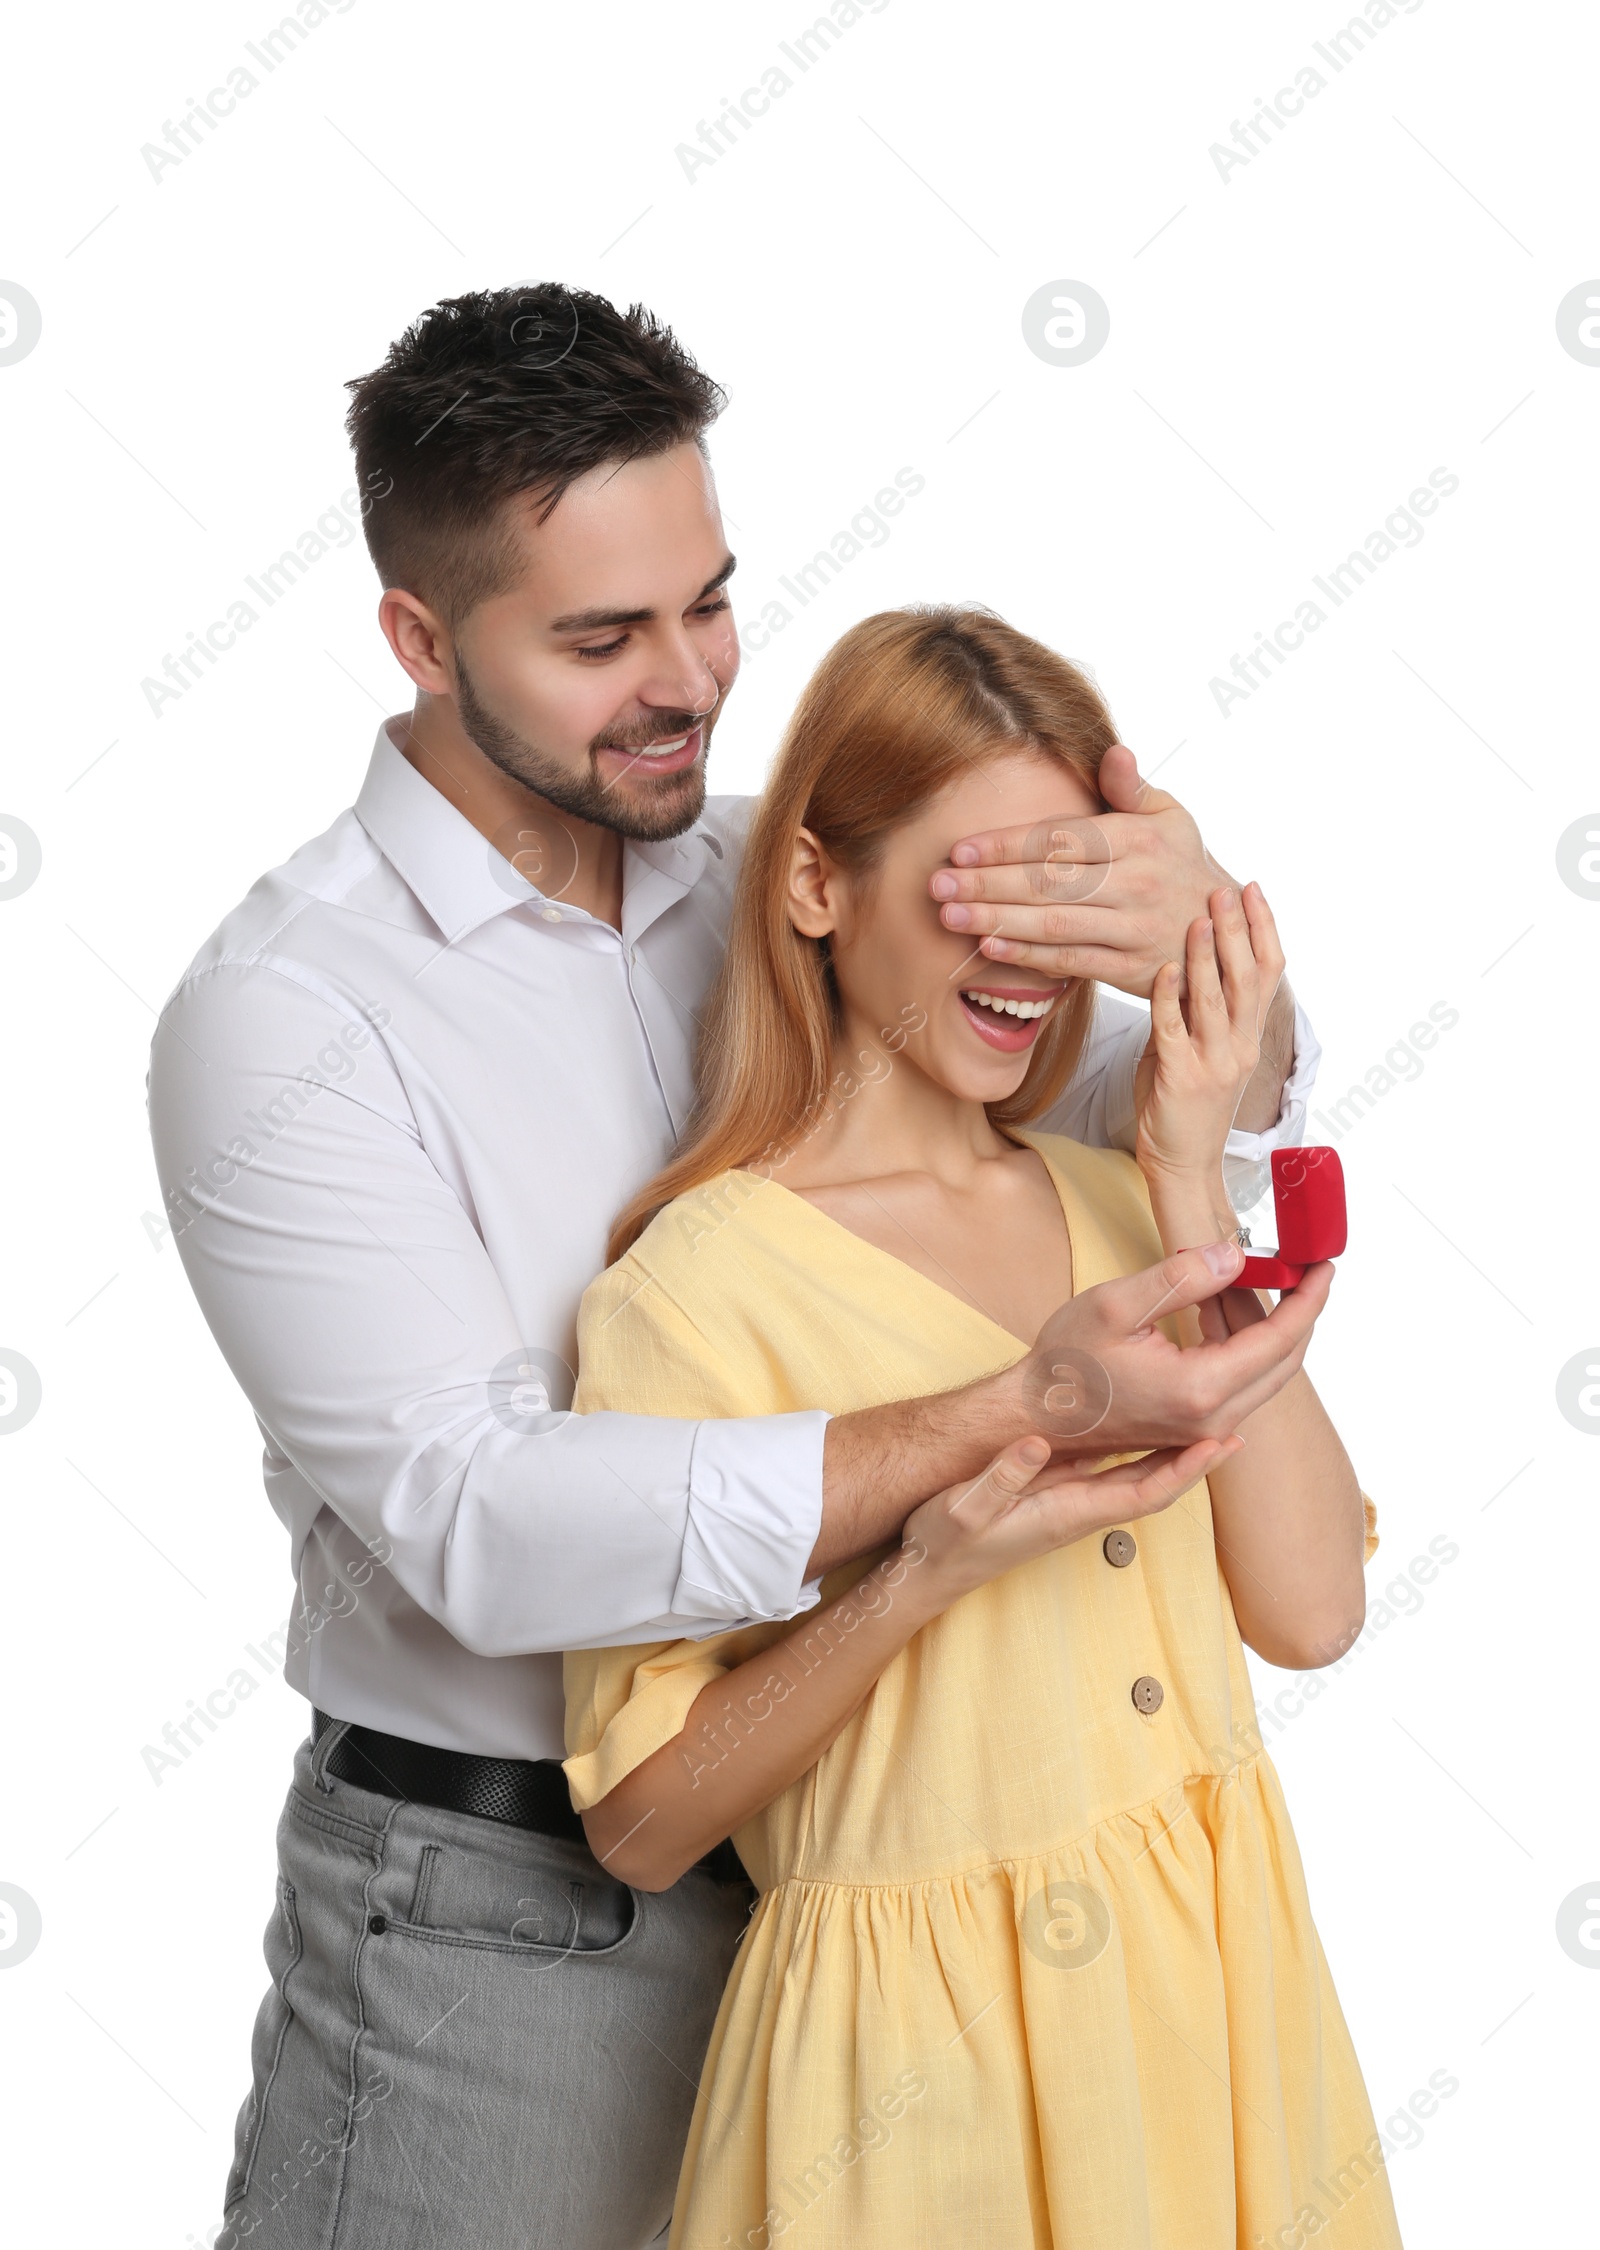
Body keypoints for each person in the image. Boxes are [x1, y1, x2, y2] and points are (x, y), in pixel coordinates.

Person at [148, 287, 1327, 2250]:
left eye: (706, 600)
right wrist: (1008, 1422)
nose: (688, 680)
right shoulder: (286, 1022)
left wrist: (1206, 947)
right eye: (599, 639)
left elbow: (1148, 1102)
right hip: (509, 1915)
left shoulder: (776, 878)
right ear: (420, 641)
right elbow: (476, 1522)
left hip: (879, 1884)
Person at [565, 608, 1400, 2249]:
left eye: (1063, 896)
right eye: (974, 889)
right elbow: (643, 1818)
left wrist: (1181, 1178)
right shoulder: (694, 1291)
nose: (1023, 953)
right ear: (816, 882)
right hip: (908, 2092)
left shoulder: (1118, 1200)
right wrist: (922, 1570)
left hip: (1219, 2013)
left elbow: (1313, 1612)